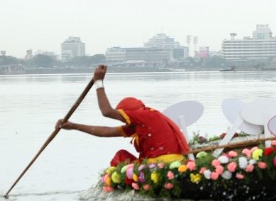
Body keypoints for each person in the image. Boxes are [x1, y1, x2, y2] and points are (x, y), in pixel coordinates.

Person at [56, 65, 190, 167]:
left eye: (123, 117)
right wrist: (74, 126)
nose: (124, 121)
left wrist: (98, 82)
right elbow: (106, 132)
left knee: (120, 157)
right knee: (123, 155)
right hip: (172, 164)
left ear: (130, 113)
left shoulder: (144, 115)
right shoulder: (140, 125)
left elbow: (106, 111)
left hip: (161, 164)